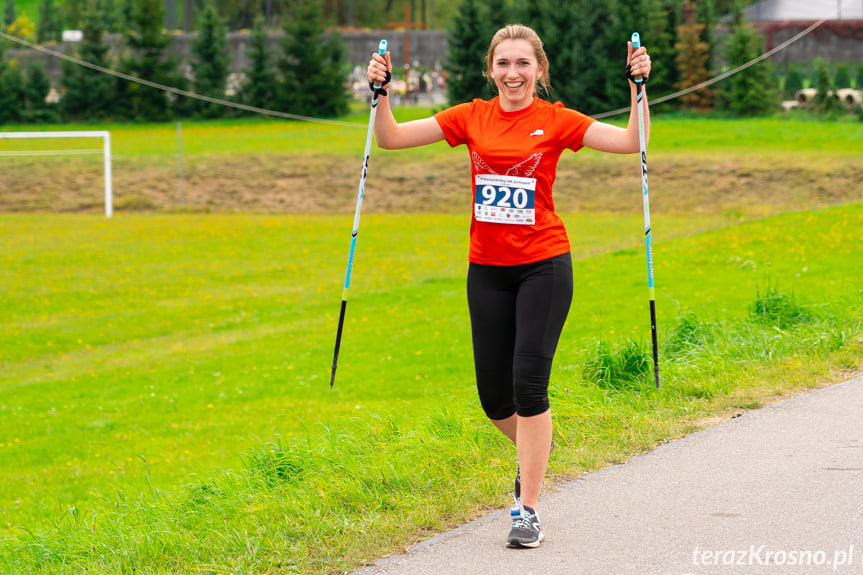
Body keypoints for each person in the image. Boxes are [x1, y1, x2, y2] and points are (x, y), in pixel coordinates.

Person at [367, 24, 651, 549]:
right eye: (504, 64)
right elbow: (390, 138)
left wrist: (638, 88)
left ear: (539, 70)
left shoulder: (556, 119)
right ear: (490, 68)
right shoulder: (470, 116)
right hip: (487, 269)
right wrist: (381, 94)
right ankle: (534, 452)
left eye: (523, 64)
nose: (513, 74)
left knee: (528, 386)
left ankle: (528, 507)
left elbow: (632, 142)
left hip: (544, 264)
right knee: (495, 399)